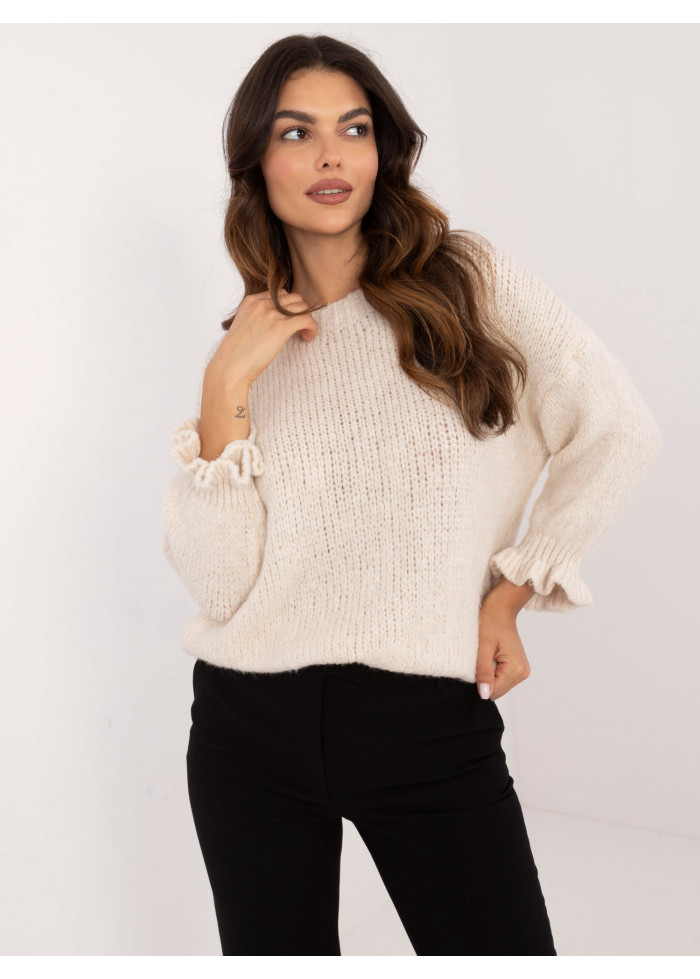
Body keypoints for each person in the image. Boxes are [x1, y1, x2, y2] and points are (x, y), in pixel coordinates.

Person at [162, 34, 661, 956]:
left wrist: (511, 590)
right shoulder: (248, 350)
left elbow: (619, 427)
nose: (330, 155)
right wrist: (223, 388)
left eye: (353, 129)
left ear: (381, 148)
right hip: (245, 730)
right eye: (296, 132)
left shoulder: (468, 281)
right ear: (256, 160)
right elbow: (223, 588)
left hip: (425, 721)